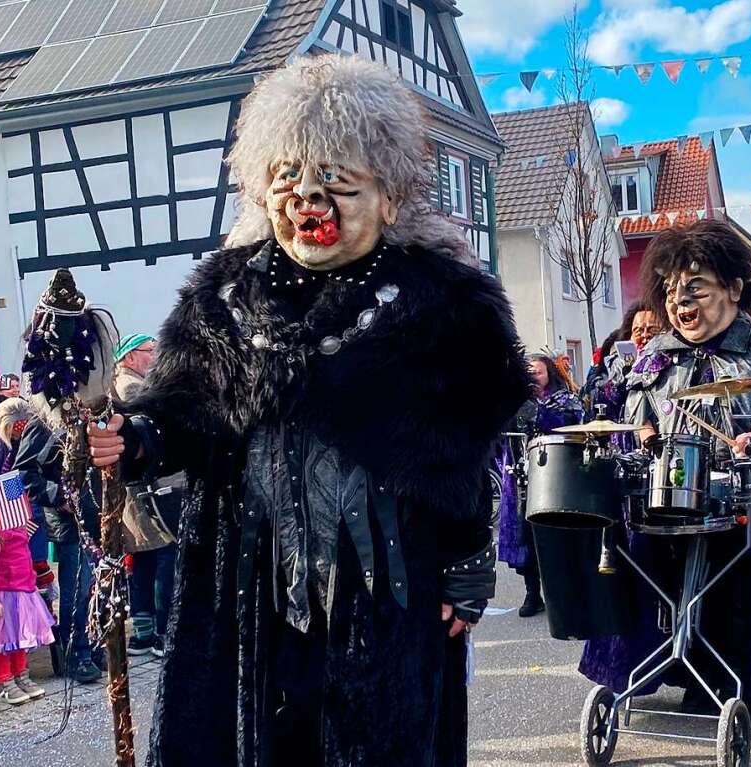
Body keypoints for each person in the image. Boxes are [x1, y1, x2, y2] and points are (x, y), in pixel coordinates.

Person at [86, 55, 528, 766]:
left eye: (335, 184)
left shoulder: (441, 302)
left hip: (387, 585)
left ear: (388, 197)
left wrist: (468, 565)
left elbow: (464, 449)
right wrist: (136, 441)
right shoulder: (223, 297)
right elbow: (183, 416)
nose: (307, 202)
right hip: (246, 586)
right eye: (288, 181)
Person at [580, 219, 751, 707]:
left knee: (738, 584)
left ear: (734, 288)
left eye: (696, 290)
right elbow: (634, 413)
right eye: (672, 293)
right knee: (662, 576)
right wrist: (648, 440)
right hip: (676, 493)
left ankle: (736, 679)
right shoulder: (656, 357)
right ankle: (681, 668)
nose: (681, 304)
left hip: (748, 501)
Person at [14, 413, 102, 684]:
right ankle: (75, 653)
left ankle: (93, 646)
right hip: (70, 520)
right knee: (76, 588)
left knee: (98, 588)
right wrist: (60, 496)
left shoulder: (98, 411)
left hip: (101, 515)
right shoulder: (46, 421)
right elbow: (25, 474)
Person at [112, 333, 181, 658]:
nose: (154, 356)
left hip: (141, 490)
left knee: (145, 561)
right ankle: (161, 632)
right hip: (147, 492)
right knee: (164, 555)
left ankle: (143, 632)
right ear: (128, 357)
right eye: (149, 351)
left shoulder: (133, 382)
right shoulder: (130, 386)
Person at [499, 355, 583, 617]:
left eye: (538, 372)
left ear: (550, 375)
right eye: (528, 372)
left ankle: (562, 595)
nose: (533, 376)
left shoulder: (563, 400)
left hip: (553, 476)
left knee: (553, 535)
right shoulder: (513, 399)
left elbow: (568, 426)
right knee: (524, 537)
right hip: (518, 478)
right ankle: (532, 594)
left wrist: (535, 410)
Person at [0, 486, 55, 705]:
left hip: (24, 592)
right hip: (4, 596)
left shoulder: (20, 529)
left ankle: (20, 675)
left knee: (21, 639)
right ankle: (3, 681)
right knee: (4, 641)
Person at [0, 399, 51, 577]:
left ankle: (40, 602)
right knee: (3, 571)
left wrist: (30, 516)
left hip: (29, 506)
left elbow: (37, 476)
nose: (17, 437)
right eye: (12, 433)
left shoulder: (37, 429)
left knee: (35, 568)